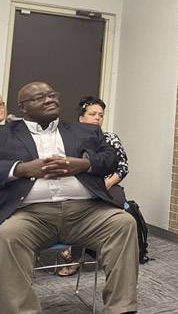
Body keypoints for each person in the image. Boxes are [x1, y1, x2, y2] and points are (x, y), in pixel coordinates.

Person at [0, 82, 138, 314]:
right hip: (31, 215)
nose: (49, 99)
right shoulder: (4, 135)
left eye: (52, 95)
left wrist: (84, 164)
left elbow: (111, 159)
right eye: (39, 97)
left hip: (86, 212)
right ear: (23, 108)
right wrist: (22, 169)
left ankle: (121, 309)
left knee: (123, 223)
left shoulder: (85, 131)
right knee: (6, 236)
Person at [57, 96, 131, 276]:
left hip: (108, 185)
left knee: (110, 208)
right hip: (81, 186)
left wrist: (104, 185)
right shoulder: (70, 139)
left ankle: (109, 255)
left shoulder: (110, 138)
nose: (97, 117)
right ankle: (73, 255)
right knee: (79, 204)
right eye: (92, 114)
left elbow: (123, 167)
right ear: (81, 118)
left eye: (101, 115)